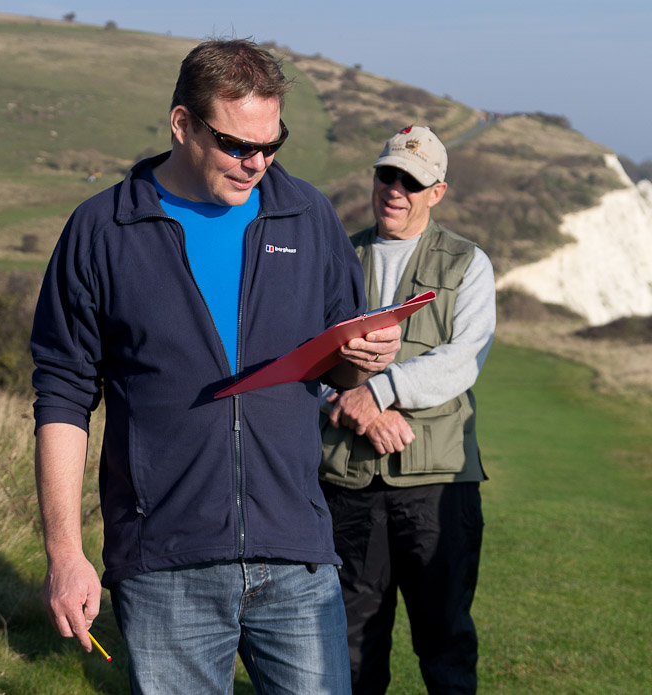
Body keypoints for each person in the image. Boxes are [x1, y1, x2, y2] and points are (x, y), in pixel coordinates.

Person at [31, 38, 402, 695]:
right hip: (165, 559)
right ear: (183, 125)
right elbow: (63, 396)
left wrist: (365, 361)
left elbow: (338, 370)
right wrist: (66, 552)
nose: (257, 162)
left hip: (296, 552)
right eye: (236, 144)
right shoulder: (102, 229)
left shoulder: (309, 215)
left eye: (272, 143)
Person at [319, 125, 496, 694]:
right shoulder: (335, 257)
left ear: (437, 192)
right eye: (386, 174)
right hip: (347, 482)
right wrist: (356, 408)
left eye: (412, 181)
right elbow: (306, 362)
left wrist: (380, 390)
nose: (395, 189)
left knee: (444, 641)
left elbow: (462, 359)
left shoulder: (469, 264)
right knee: (349, 642)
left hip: (437, 485)